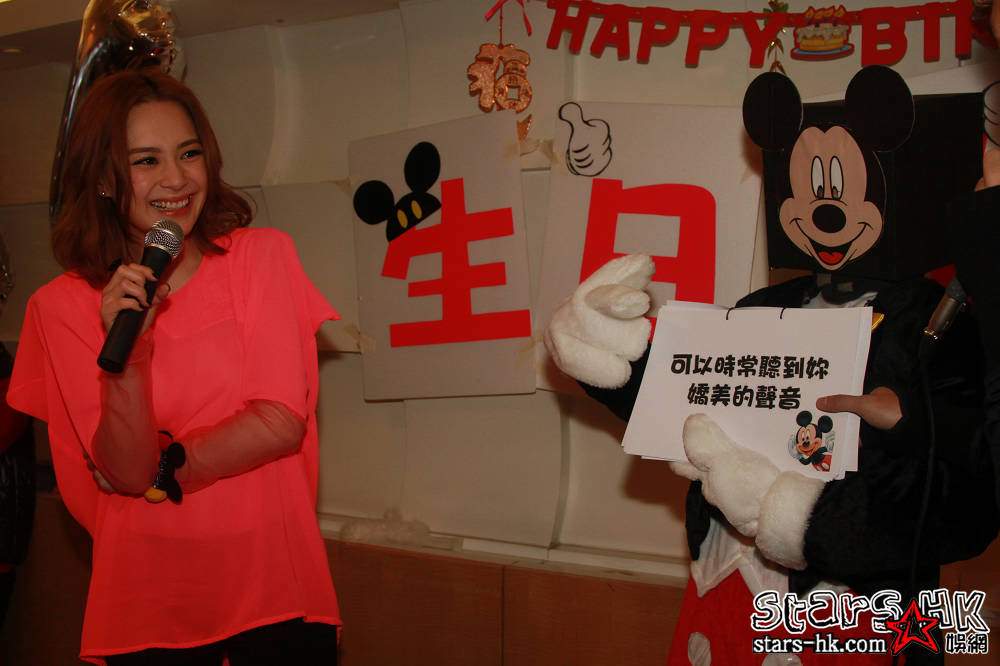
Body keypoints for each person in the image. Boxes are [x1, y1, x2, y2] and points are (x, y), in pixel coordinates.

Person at [546, 66, 998, 665]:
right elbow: (694, 408)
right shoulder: (763, 308)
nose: (825, 211)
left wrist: (797, 516)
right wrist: (614, 360)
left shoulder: (940, 320)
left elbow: (966, 501)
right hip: (727, 595)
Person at [7, 68, 341, 665]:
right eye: (146, 161)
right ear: (103, 179)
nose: (177, 179)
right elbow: (124, 471)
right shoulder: (60, 307)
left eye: (189, 153)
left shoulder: (260, 257)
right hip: (147, 601)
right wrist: (130, 356)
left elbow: (279, 421)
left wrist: (170, 463)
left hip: (274, 588)